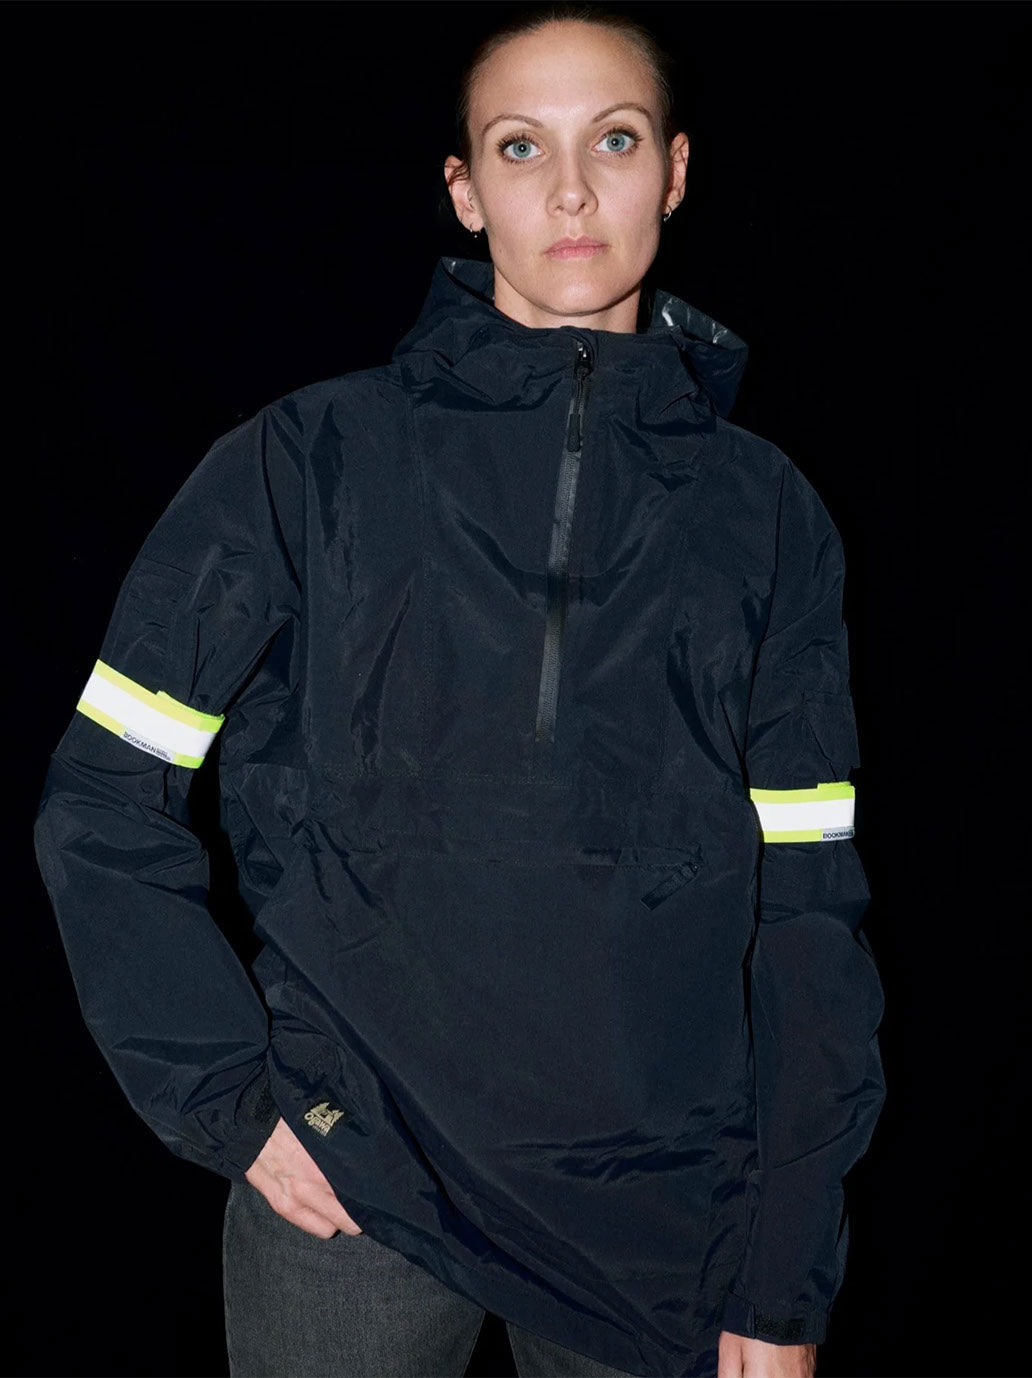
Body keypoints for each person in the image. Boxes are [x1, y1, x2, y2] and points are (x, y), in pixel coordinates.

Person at [32, 5, 887, 1377]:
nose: (570, 191)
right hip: (355, 1187)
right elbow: (101, 801)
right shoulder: (303, 461)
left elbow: (809, 909)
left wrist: (788, 1263)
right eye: (519, 146)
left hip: (662, 1215)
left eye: (615, 140)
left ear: (675, 171)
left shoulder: (767, 514)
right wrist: (233, 1096)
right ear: (465, 189)